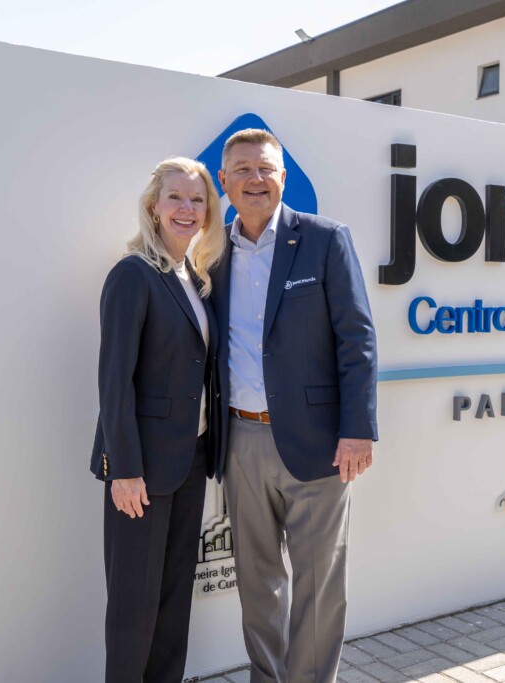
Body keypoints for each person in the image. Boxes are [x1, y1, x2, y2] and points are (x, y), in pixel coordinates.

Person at [211, 129, 378, 683]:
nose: (254, 179)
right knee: (257, 583)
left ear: (283, 176)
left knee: (318, 583)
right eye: (242, 170)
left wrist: (358, 431)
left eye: (265, 169)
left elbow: (357, 340)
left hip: (320, 442)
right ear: (223, 181)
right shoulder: (212, 255)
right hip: (240, 441)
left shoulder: (325, 239)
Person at [90, 156, 226, 682]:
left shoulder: (195, 276)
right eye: (176, 198)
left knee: (173, 606)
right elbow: (114, 379)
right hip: (140, 470)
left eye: (197, 199)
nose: (187, 209)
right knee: (133, 609)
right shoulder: (133, 275)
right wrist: (123, 468)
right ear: (154, 206)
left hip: (189, 463)